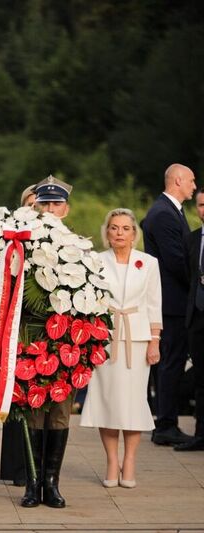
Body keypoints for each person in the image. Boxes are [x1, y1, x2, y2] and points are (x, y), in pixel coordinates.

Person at [80, 208, 161, 487]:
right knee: (108, 401)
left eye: (125, 228)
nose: (119, 233)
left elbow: (154, 303)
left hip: (137, 341)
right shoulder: (96, 261)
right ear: (107, 232)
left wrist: (154, 341)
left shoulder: (148, 263)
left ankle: (130, 461)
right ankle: (112, 460)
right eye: (114, 228)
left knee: (133, 403)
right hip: (106, 340)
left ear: (134, 233)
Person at [21, 175, 76, 509]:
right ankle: (31, 483)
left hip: (67, 341)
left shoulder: (78, 247)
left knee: (58, 413)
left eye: (57, 204)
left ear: (66, 209)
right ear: (36, 207)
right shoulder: (21, 244)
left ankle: (51, 483)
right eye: (45, 204)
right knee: (32, 412)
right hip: (31, 337)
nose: (51, 209)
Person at [141, 163, 197, 446]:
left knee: (172, 362)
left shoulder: (171, 210)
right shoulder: (163, 214)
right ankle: (165, 423)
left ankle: (167, 420)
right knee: (170, 363)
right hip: (172, 302)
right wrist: (198, 283)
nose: (194, 186)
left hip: (174, 300)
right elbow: (176, 261)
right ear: (178, 180)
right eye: (191, 181)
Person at [0, 182, 40, 487]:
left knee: (39, 399)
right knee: (13, 397)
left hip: (41, 328)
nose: (37, 209)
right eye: (31, 203)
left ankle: (39, 467)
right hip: (13, 323)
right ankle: (16, 467)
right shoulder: (9, 240)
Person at [177, 187, 204, 452]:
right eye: (201, 204)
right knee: (200, 378)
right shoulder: (193, 239)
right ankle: (200, 434)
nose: (203, 209)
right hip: (196, 317)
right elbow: (188, 274)